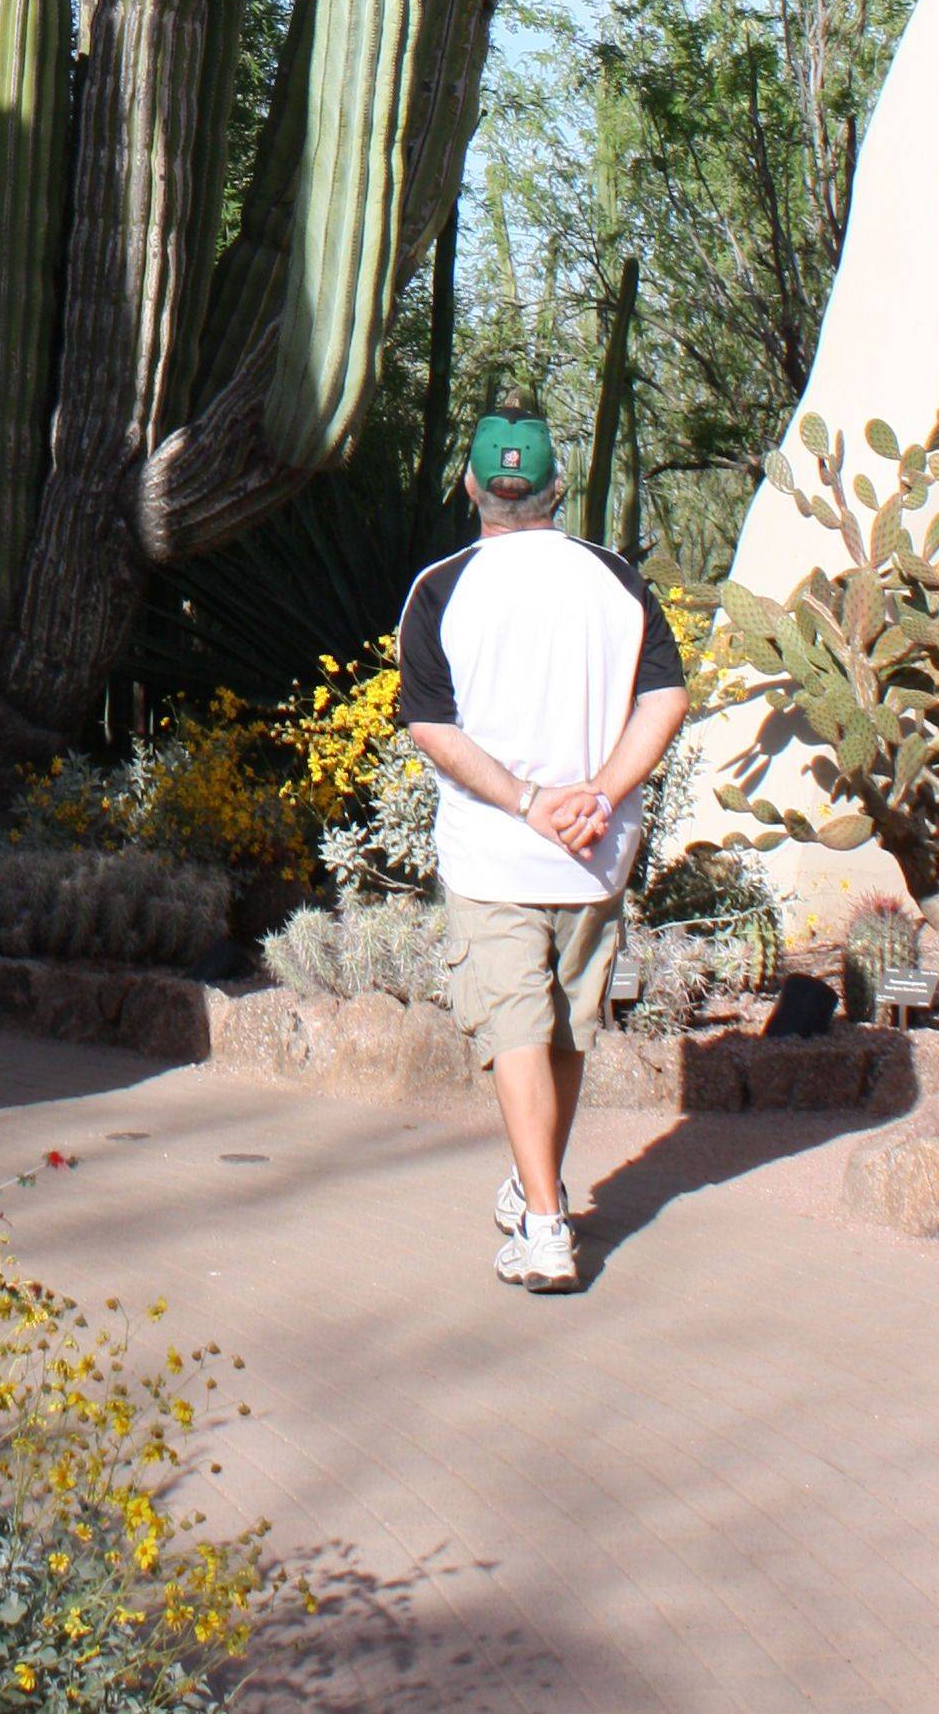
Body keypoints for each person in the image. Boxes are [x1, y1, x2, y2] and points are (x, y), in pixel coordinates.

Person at [398, 409, 689, 1294]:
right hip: (596, 850)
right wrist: (598, 793)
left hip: (495, 851)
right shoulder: (617, 581)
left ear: (472, 489)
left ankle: (548, 1224)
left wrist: (527, 803)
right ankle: (539, 1197)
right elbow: (666, 698)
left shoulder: (443, 587)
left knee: (519, 1028)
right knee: (564, 1027)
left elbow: (431, 727)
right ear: (557, 488)